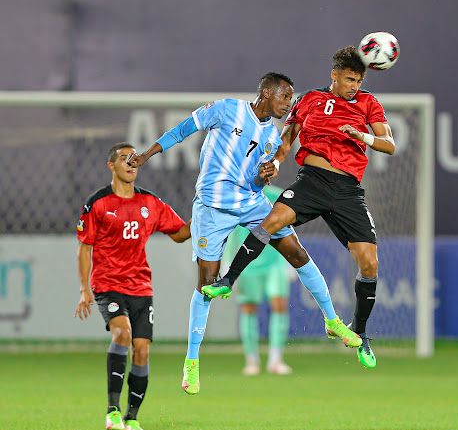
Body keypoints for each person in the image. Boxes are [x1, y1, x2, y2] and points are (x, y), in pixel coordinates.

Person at [127, 72, 361, 396]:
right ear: (266, 93)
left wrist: (263, 176)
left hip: (251, 203)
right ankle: (192, 361)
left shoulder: (272, 137)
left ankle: (332, 320)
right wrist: (147, 154)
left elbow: (256, 181)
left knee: (297, 253)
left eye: (291, 98)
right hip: (212, 207)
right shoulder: (227, 109)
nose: (288, 104)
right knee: (206, 285)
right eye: (284, 96)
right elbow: (182, 130)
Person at [205, 47, 395, 369]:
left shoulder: (368, 103)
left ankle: (360, 332)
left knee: (369, 263)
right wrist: (277, 163)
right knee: (270, 221)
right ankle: (227, 280)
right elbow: (287, 138)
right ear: (334, 75)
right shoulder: (309, 100)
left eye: (359, 81)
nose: (354, 87)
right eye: (349, 79)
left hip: (348, 191)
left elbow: (389, 144)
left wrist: (361, 135)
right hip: (312, 182)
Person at [74, 142, 191, 430]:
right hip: (108, 283)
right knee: (122, 334)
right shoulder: (98, 203)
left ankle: (132, 418)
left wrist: (206, 215)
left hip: (140, 285)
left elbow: (180, 234)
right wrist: (84, 289)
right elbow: (85, 248)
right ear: (111, 165)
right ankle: (112, 412)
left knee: (142, 350)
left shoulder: (150, 202)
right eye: (124, 158)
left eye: (135, 158)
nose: (131, 163)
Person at [223, 185, 293, 376]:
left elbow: (289, 226)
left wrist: (291, 260)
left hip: (276, 258)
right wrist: (228, 263)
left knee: (279, 305)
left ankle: (276, 360)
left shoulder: (278, 196)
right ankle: (251, 360)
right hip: (248, 261)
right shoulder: (239, 196)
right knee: (249, 307)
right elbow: (232, 230)